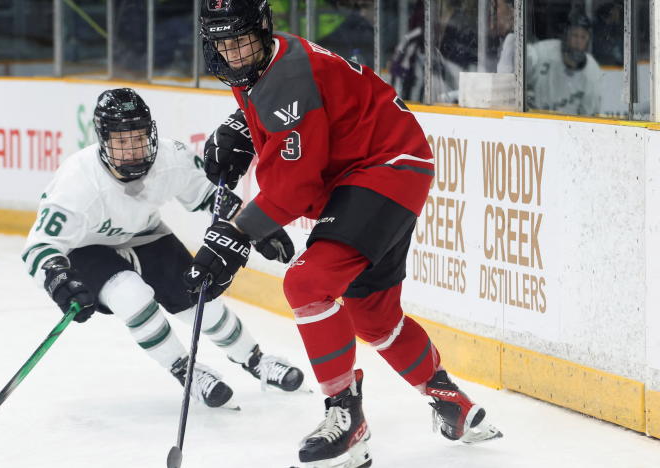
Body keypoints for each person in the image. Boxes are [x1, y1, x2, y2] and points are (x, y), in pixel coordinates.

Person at [189, 1, 502, 466]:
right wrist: (242, 128)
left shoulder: (285, 76)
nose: (233, 53)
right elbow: (301, 125)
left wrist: (235, 234)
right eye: (223, 44)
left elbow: (295, 185)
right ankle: (451, 402)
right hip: (377, 168)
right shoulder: (265, 65)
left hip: (384, 168)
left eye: (241, 40)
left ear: (261, 30)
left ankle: (346, 419)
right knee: (372, 317)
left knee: (307, 284)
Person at [22, 88, 305, 409]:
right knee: (129, 294)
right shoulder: (78, 182)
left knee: (200, 300)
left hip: (145, 234)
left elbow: (212, 198)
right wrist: (59, 280)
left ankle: (256, 360)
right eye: (121, 141)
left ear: (152, 132)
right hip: (86, 248)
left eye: (138, 137)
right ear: (102, 140)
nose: (132, 150)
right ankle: (186, 370)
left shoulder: (171, 158)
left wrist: (255, 225)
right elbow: (39, 247)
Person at [499, 10, 602, 116]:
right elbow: (516, 75)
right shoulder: (542, 52)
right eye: (575, 35)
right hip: (536, 122)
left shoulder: (592, 71)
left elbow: (590, 113)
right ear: (566, 35)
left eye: (583, 37)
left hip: (569, 128)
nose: (578, 41)